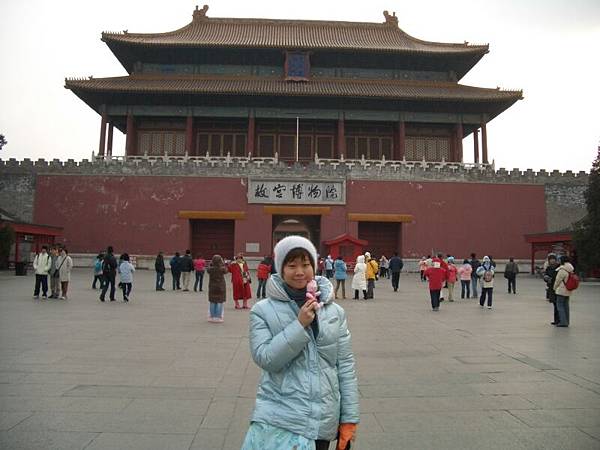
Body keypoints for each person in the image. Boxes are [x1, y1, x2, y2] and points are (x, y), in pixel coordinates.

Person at [242, 235, 359, 450]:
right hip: (281, 418)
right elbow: (266, 358)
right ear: (280, 268)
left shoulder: (334, 311)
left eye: (306, 265)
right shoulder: (263, 310)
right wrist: (299, 326)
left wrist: (349, 418)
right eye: (292, 265)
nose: (299, 272)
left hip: (323, 420)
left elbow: (345, 366)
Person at [553, 255, 576, 327]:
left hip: (561, 290)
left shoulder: (562, 269)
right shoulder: (571, 269)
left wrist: (554, 288)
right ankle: (567, 321)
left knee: (560, 306)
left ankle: (563, 322)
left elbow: (558, 280)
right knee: (566, 306)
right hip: (568, 289)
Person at [207, 254, 228, 322]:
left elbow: (208, 269)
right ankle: (218, 317)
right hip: (220, 286)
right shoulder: (222, 269)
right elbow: (226, 270)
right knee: (220, 301)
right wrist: (223, 263)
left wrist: (211, 264)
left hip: (212, 286)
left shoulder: (210, 269)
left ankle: (212, 317)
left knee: (212, 301)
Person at [543, 253, 560, 325]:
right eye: (550, 260)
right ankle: (556, 320)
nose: (552, 261)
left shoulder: (559, 268)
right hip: (551, 288)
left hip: (558, 288)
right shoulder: (548, 268)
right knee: (554, 304)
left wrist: (551, 279)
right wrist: (546, 278)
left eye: (553, 260)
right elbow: (545, 276)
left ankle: (559, 320)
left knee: (558, 305)